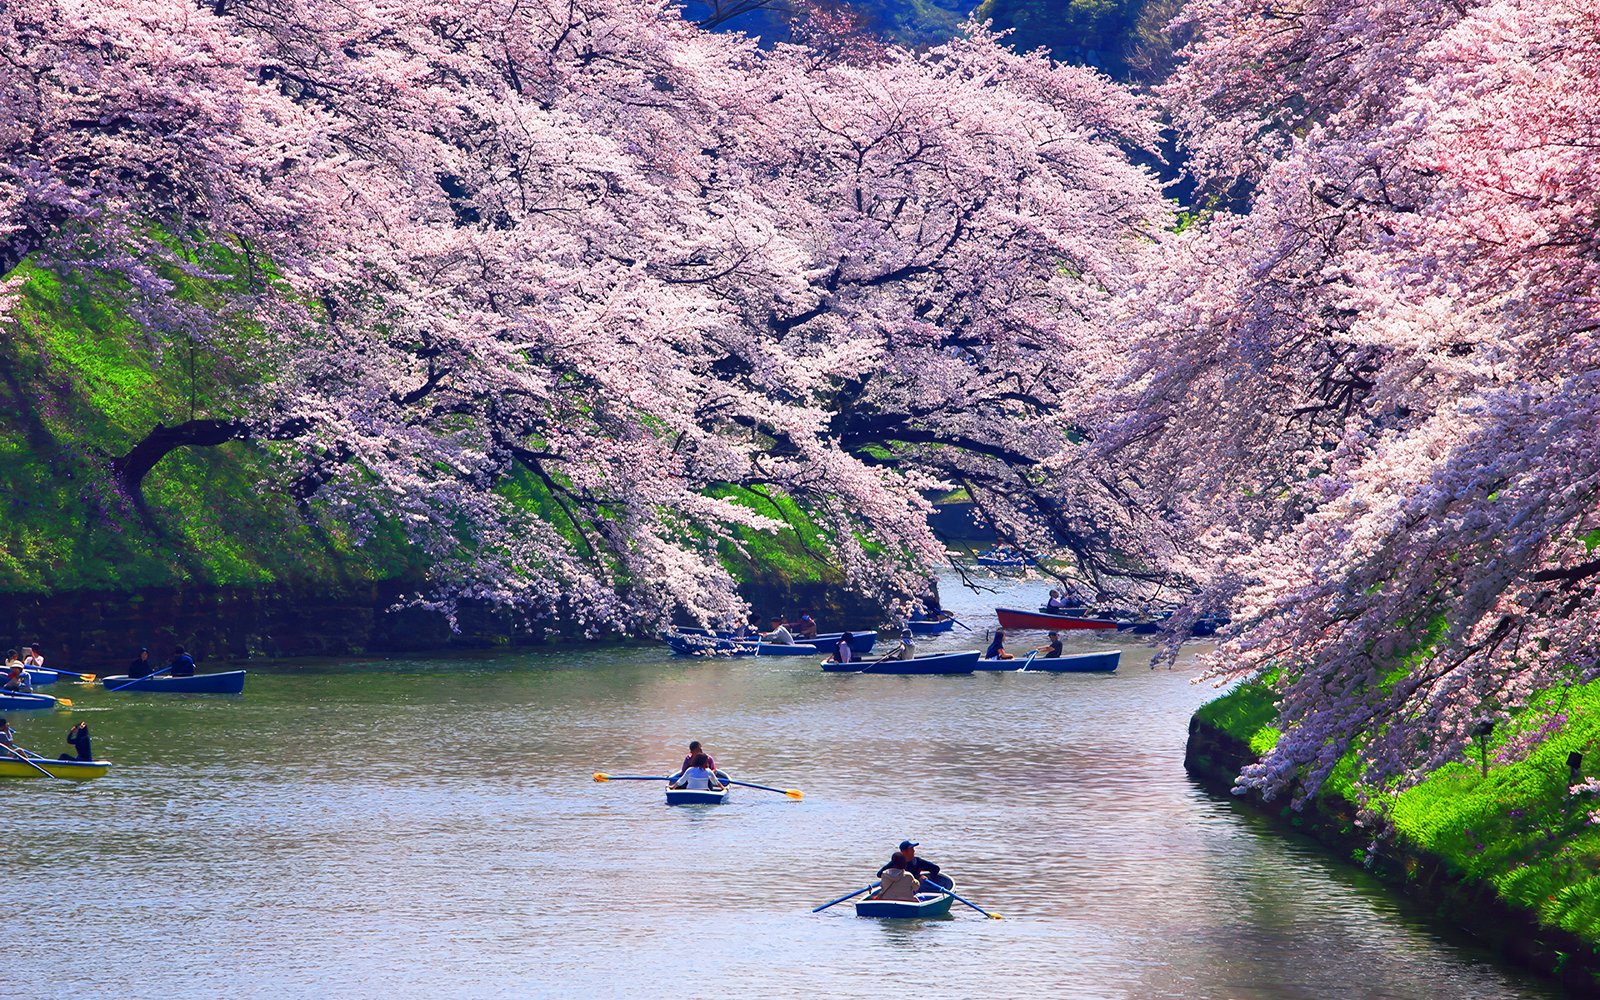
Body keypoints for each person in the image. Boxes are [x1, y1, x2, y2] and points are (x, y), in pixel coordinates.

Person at [882, 840, 952, 892]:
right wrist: (890, 874)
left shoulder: (918, 862)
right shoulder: (895, 862)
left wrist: (926, 877)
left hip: (916, 888)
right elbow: (880, 874)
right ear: (904, 852)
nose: (914, 851)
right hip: (899, 889)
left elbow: (935, 868)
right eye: (911, 849)